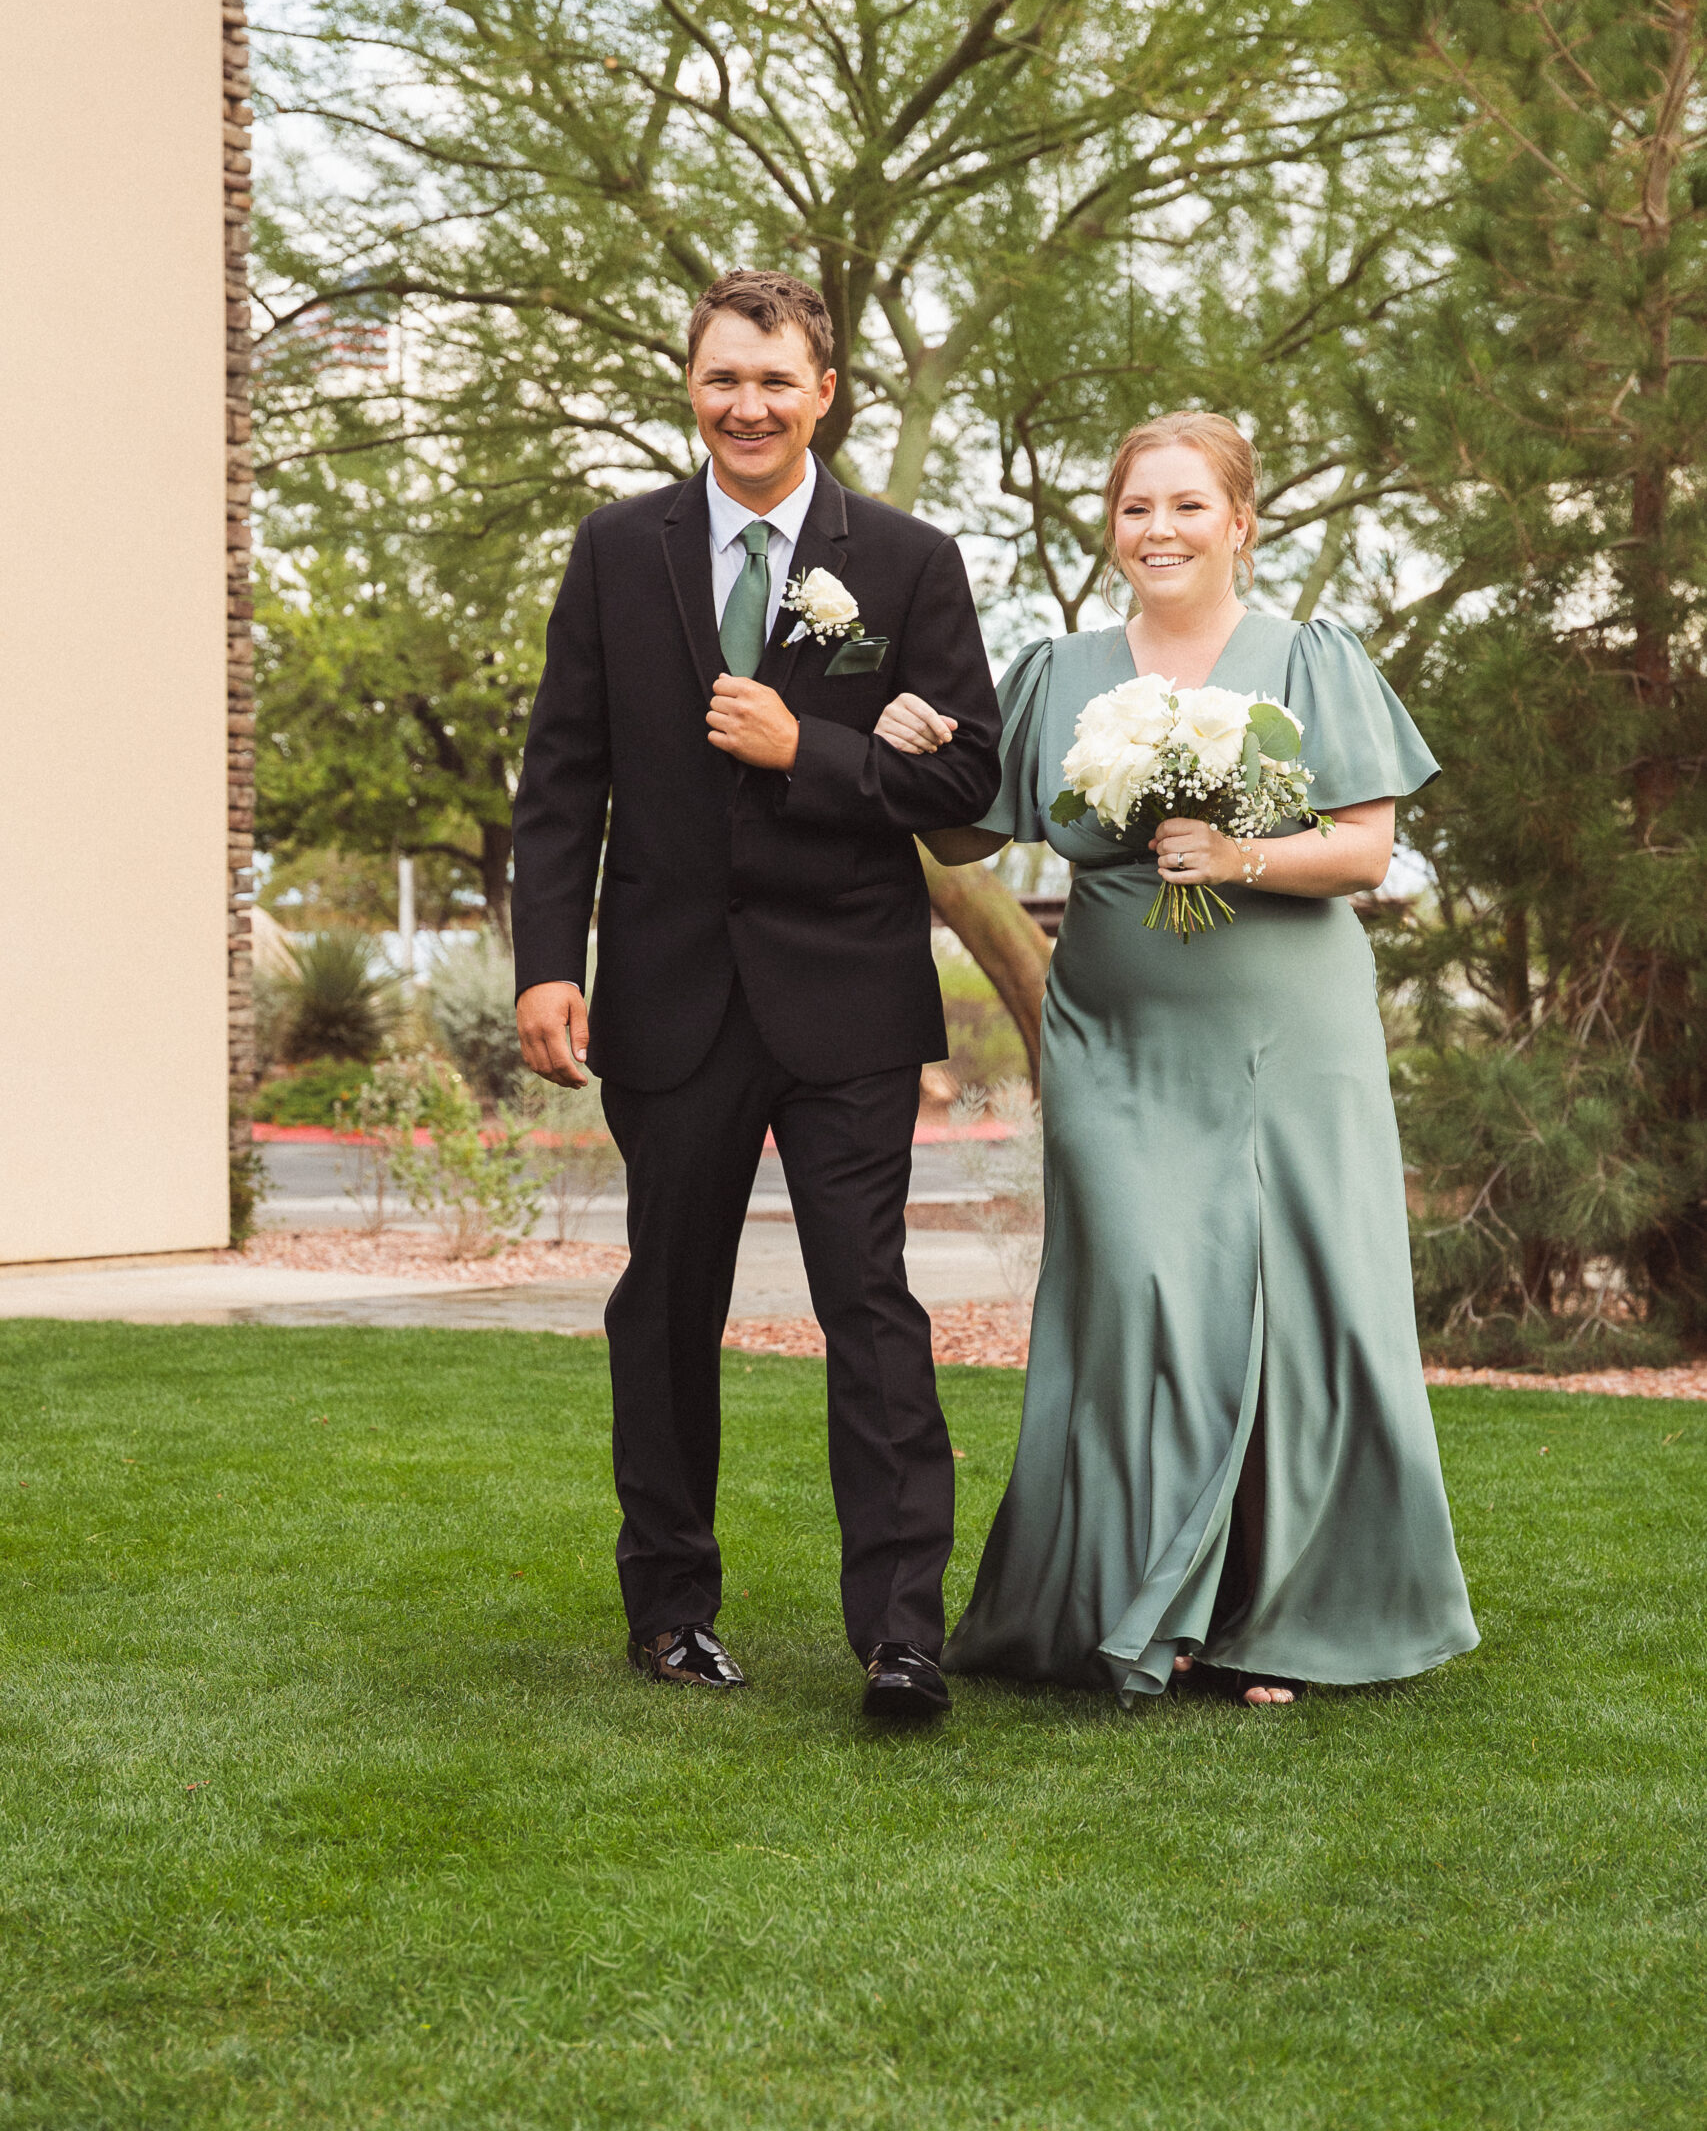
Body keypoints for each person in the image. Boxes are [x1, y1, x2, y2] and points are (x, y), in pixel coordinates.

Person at [876, 412, 1478, 1706]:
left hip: (1289, 1032)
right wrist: (916, 751)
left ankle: (1271, 1614)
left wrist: (1239, 853)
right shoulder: (1060, 671)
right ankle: (1140, 1600)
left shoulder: (1309, 658)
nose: (1158, 529)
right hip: (1117, 1036)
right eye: (1136, 506)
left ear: (1240, 523)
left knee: (1293, 1303)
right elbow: (973, 835)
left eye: (1188, 505)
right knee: (1142, 1290)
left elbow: (1366, 852)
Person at [510, 269, 1002, 1719]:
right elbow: (563, 776)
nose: (749, 405)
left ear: (824, 394)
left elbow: (970, 781)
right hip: (670, 998)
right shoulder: (618, 550)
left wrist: (813, 751)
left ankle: (901, 1637)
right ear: (692, 384)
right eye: (725, 377)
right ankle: (670, 1614)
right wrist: (548, 962)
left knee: (870, 1305)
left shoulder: (907, 561)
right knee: (666, 1308)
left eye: (777, 380)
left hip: (848, 997)